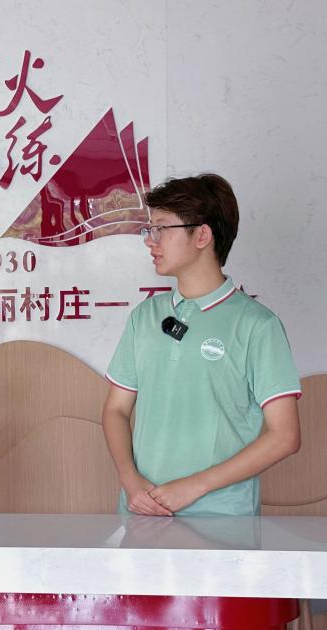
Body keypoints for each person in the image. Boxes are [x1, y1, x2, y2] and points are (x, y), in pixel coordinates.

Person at [103, 173, 302, 516]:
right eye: (149, 229)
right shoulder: (144, 317)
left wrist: (194, 486)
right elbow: (115, 410)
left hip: (224, 520)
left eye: (162, 228)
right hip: (143, 513)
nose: (151, 241)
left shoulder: (258, 325)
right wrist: (129, 480)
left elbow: (284, 436)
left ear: (202, 235)